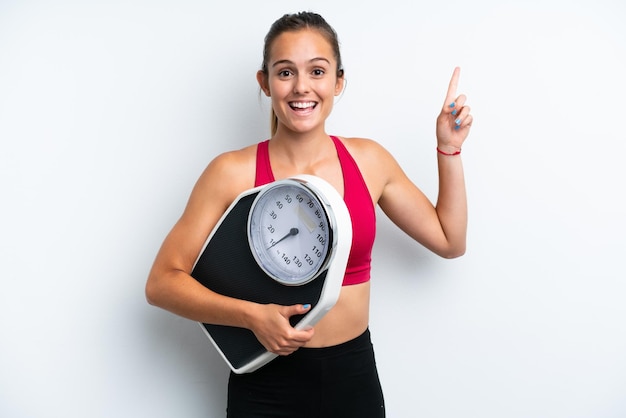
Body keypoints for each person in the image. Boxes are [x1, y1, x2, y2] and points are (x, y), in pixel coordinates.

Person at [145, 11, 472, 418]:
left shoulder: (369, 161)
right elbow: (161, 283)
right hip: (264, 380)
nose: (302, 87)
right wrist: (251, 317)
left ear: (338, 81)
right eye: (285, 72)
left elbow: (449, 240)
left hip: (353, 377)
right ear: (265, 82)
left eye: (317, 71)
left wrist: (449, 149)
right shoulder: (230, 172)